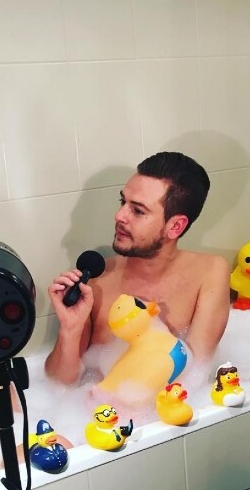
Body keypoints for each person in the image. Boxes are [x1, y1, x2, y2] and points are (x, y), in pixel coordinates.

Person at [46, 151, 231, 387]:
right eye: (122, 202)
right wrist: (70, 330)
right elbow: (59, 384)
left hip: (163, 404)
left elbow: (192, 377)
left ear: (175, 226)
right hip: (95, 405)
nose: (119, 216)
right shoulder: (97, 279)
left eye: (138, 210)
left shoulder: (209, 273)